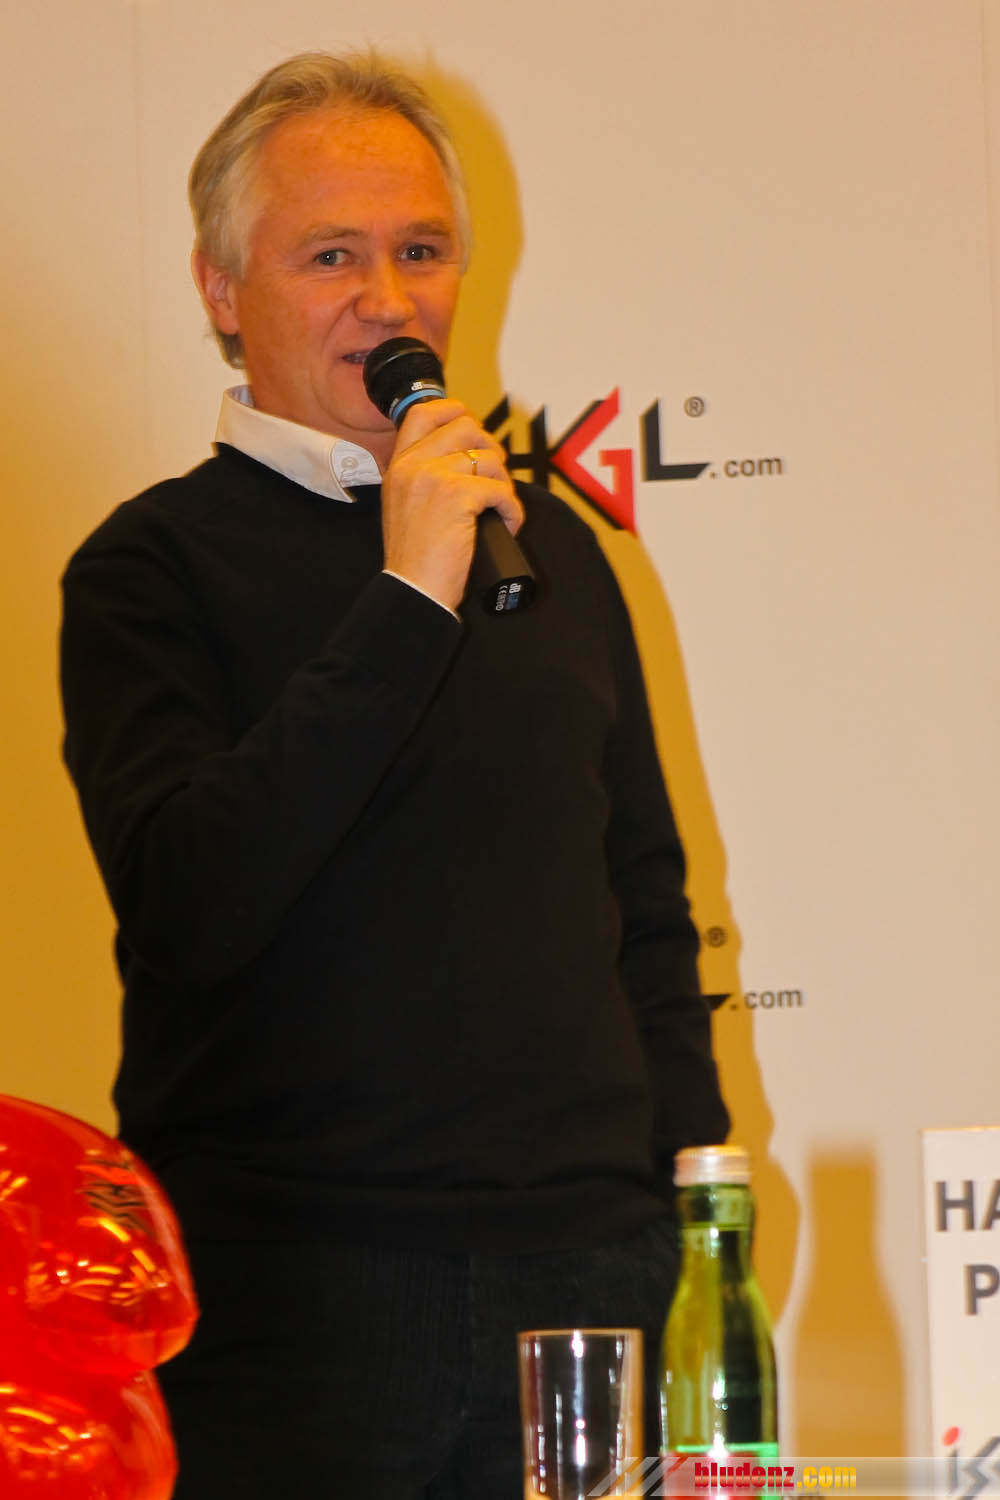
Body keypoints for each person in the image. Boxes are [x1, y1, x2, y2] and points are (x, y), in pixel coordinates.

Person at [59, 50, 729, 1499]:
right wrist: (407, 596)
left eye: (421, 252)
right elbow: (190, 903)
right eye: (332, 257)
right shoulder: (148, 568)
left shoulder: (552, 548)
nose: (388, 299)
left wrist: (692, 1197)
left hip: (588, 1280)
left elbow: (643, 901)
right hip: (295, 1300)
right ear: (221, 290)